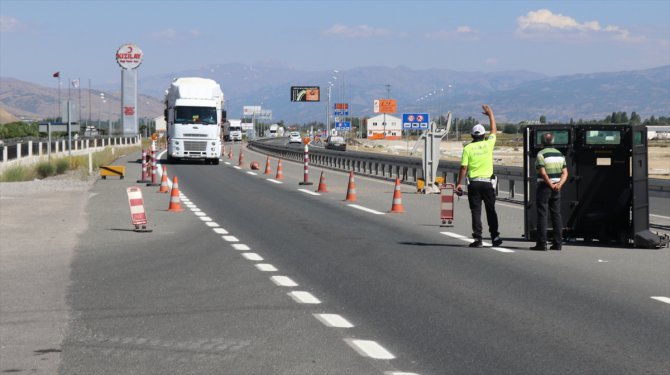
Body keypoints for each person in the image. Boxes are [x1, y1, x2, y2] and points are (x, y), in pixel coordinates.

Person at [456, 104, 502, 248]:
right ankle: (495, 237)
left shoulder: (468, 148)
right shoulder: (488, 144)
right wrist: (491, 114)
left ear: (472, 135)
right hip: (488, 183)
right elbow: (494, 130)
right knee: (491, 211)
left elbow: (464, 167)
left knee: (476, 211)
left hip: (474, 184)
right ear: (483, 135)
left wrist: (459, 183)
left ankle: (478, 239)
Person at [531, 133, 568, 251]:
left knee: (543, 214)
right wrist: (559, 184)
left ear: (542, 142)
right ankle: (558, 243)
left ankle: (542, 243)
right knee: (556, 215)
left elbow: (542, 172)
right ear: (553, 141)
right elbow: (565, 173)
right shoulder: (560, 154)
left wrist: (550, 184)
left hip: (545, 187)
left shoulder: (541, 154)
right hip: (557, 188)